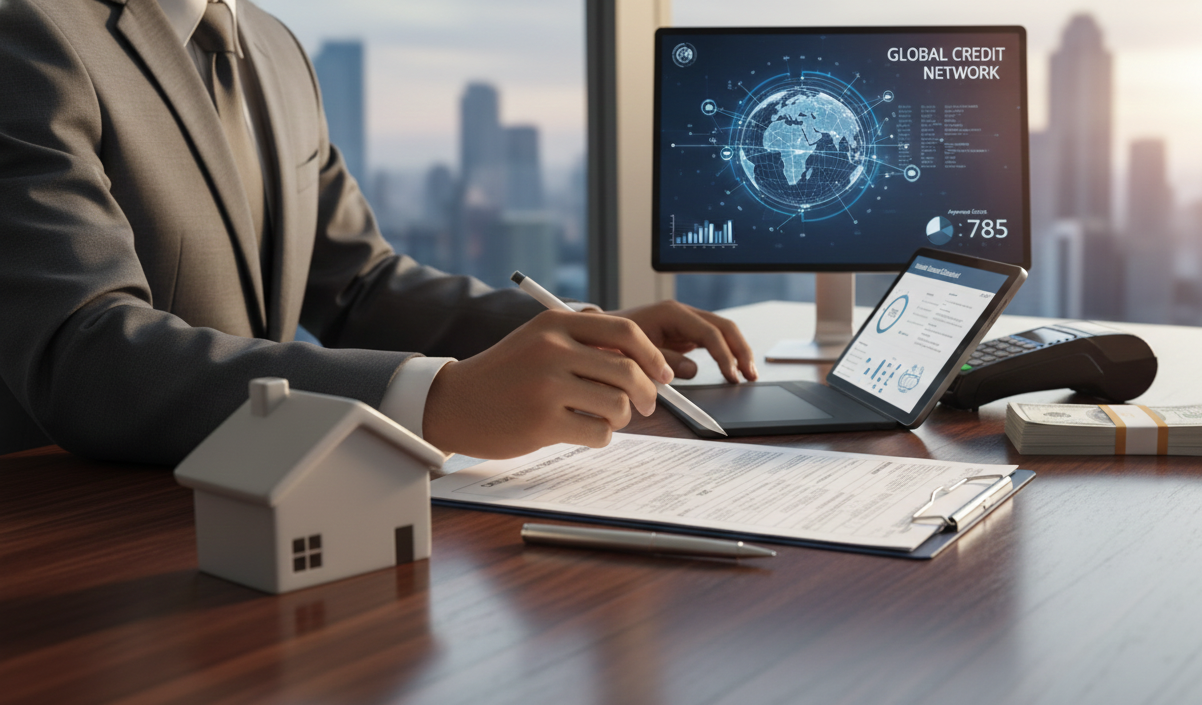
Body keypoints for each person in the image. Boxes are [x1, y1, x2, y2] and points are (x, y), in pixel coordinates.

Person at [0, 0, 757, 464]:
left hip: (277, 502)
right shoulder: (30, 32)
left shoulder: (275, 47)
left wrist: (578, 333)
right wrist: (435, 400)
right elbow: (82, 351)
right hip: (85, 532)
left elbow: (358, 284)